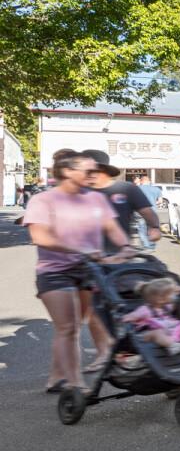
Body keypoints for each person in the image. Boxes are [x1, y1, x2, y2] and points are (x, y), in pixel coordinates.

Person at [22, 149, 135, 392]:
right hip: (55, 272)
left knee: (75, 325)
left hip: (89, 269)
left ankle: (55, 377)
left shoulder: (96, 199)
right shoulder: (43, 201)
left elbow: (111, 227)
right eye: (89, 171)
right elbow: (39, 236)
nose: (95, 175)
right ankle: (75, 384)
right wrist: (78, 248)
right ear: (67, 172)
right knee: (68, 327)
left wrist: (125, 247)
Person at [80, 150, 161, 254]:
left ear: (105, 170)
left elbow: (147, 212)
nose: (89, 174)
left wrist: (154, 227)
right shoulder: (79, 192)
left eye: (93, 169)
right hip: (85, 254)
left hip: (119, 253)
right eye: (85, 170)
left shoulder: (127, 189)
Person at [122, 278, 180, 355]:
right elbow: (132, 316)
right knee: (157, 332)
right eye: (172, 294)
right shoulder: (145, 310)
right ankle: (173, 346)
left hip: (168, 332)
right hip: (146, 335)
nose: (174, 296)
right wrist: (126, 317)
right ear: (160, 299)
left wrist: (178, 291)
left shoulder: (166, 307)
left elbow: (175, 299)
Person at [134, 175, 163, 250]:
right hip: (152, 212)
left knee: (142, 229)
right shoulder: (156, 189)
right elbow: (160, 201)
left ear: (141, 181)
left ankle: (146, 246)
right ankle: (152, 245)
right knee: (151, 229)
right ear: (149, 181)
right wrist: (153, 203)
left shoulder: (137, 189)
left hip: (140, 212)